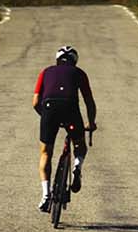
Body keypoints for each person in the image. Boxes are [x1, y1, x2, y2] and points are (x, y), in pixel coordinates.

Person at [33, 44, 97, 211]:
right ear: (75, 61)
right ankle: (77, 164)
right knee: (79, 145)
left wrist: (47, 118)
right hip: (70, 108)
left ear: (57, 60)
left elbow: (35, 102)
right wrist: (91, 123)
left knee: (46, 153)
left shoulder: (45, 72)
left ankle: (46, 194)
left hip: (48, 108)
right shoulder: (79, 73)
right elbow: (89, 101)